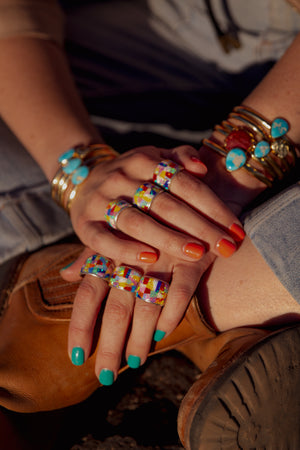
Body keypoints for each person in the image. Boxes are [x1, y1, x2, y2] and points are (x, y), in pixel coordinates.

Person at [0, 0, 299, 396]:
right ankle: (226, 324)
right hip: (137, 44)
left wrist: (218, 180)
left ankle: (199, 312)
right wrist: (85, 174)